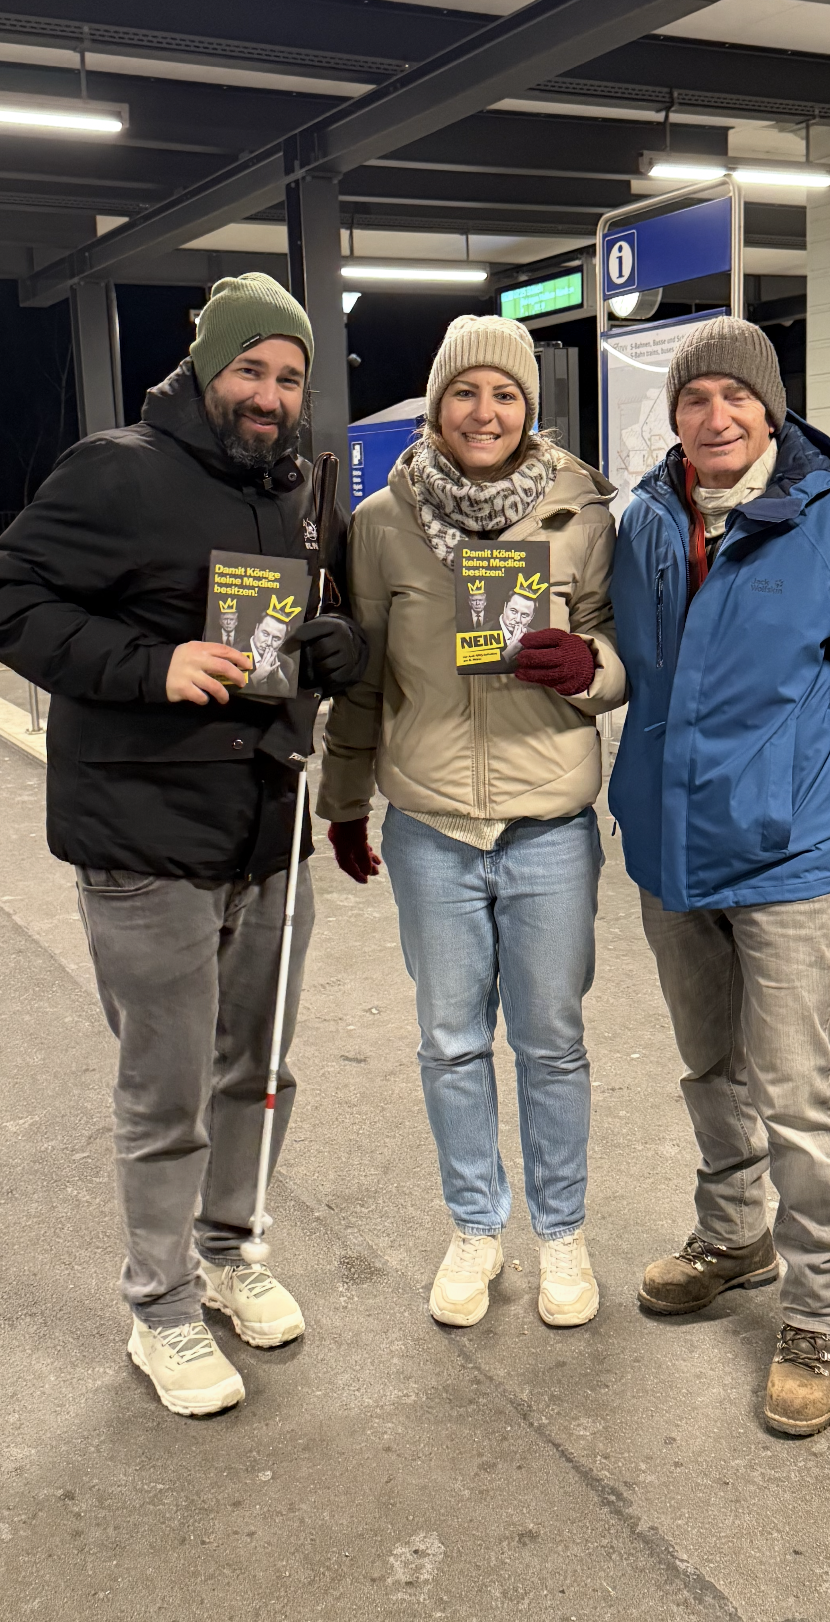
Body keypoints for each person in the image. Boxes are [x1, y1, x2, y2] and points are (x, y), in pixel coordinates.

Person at [0, 272, 367, 1419]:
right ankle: (159, 1304)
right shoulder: (117, 469)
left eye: (290, 375)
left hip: (268, 829)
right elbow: (13, 598)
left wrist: (336, 646)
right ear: (206, 369)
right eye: (251, 369)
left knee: (257, 1072)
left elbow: (324, 615)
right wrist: (150, 666)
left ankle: (226, 1249)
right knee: (168, 1089)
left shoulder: (304, 488)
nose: (268, 394)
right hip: (143, 836)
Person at [610, 317, 830, 1437]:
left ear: (772, 410)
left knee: (799, 1090)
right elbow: (628, 665)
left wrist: (826, 819)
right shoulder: (646, 523)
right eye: (694, 400)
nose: (713, 418)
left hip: (782, 859)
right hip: (665, 851)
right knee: (710, 1066)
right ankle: (735, 1235)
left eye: (734, 399)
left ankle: (820, 1312)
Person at [320, 315, 626, 1330]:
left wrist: (591, 670)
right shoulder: (381, 520)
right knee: (451, 1042)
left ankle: (563, 1234)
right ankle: (475, 1227)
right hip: (432, 826)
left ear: (528, 408)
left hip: (548, 823)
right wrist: (345, 800)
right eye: (465, 393)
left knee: (552, 1042)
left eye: (505, 394)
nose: (485, 412)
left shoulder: (583, 511)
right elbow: (362, 677)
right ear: (436, 405)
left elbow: (619, 649)